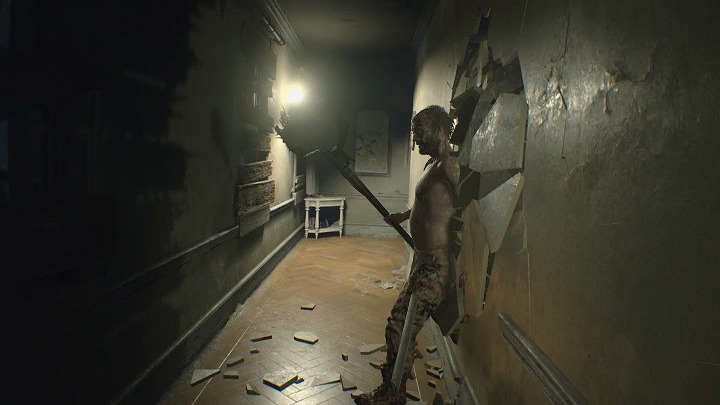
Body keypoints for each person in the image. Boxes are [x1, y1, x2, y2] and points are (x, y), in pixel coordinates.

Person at [355, 105, 459, 405]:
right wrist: (404, 216)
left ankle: (393, 393)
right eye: (414, 133)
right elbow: (430, 205)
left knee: (400, 327)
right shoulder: (432, 166)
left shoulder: (450, 165)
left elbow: (466, 207)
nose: (416, 140)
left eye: (420, 132)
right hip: (422, 262)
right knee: (397, 324)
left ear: (440, 129)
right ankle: (392, 390)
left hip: (436, 267)